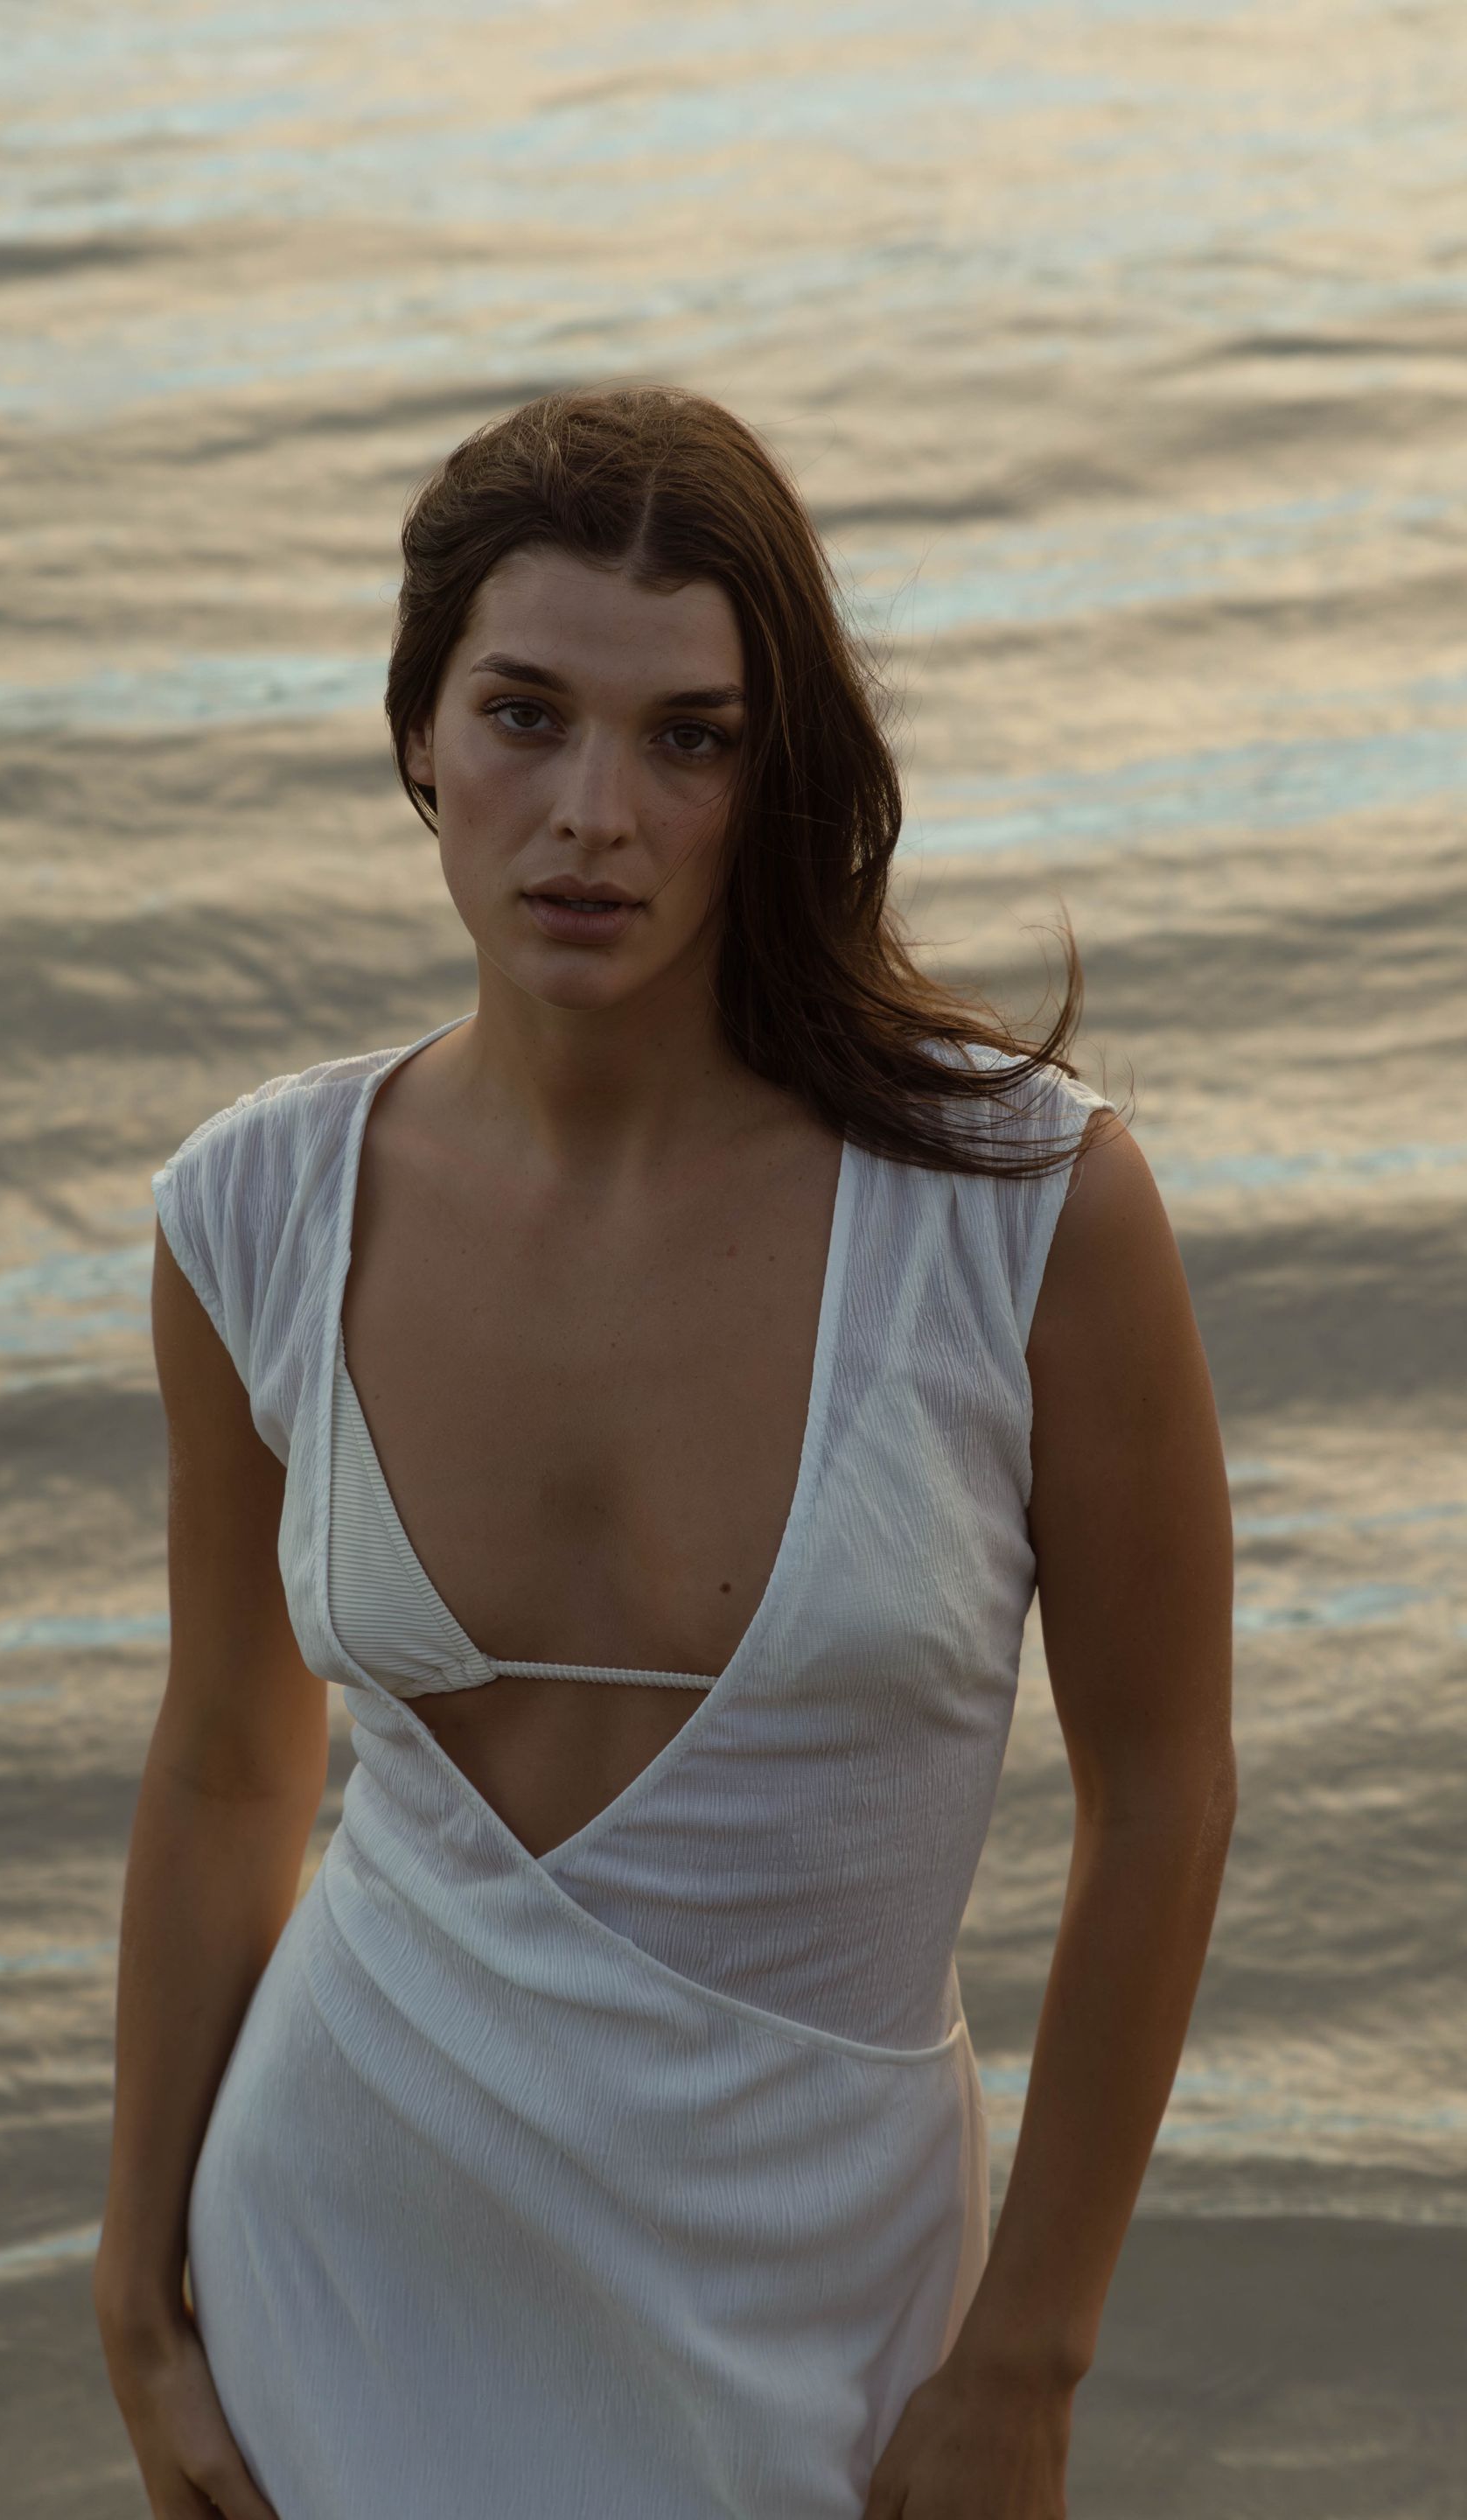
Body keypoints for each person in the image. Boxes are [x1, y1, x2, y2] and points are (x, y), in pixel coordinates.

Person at [94, 383, 1236, 2520]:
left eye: (687, 739)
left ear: (768, 777)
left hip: (822, 2307)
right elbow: (231, 1763)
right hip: (339, 2272)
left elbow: (1163, 1799)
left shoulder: (1022, 1217)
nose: (593, 816)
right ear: (419, 736)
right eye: (525, 716)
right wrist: (137, 2295)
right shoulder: (254, 1212)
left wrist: (1029, 2358)